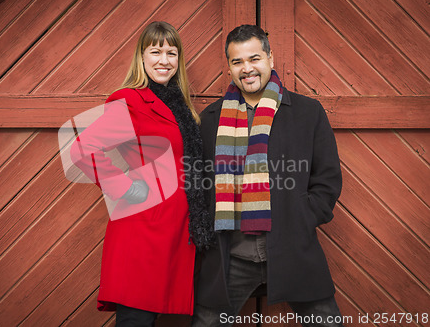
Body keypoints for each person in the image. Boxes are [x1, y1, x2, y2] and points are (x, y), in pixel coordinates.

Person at [192, 25, 343, 326]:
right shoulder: (210, 120)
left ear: (270, 58)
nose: (247, 69)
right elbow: (198, 184)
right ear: (230, 67)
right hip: (231, 257)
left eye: (254, 58)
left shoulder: (307, 112)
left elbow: (327, 179)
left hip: (292, 247)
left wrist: (301, 216)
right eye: (237, 62)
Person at [70, 21, 213, 326]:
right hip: (145, 231)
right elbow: (83, 150)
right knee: (136, 318)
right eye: (156, 51)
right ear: (142, 56)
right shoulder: (132, 101)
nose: (164, 60)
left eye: (172, 53)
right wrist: (124, 188)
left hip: (178, 232)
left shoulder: (181, 106)